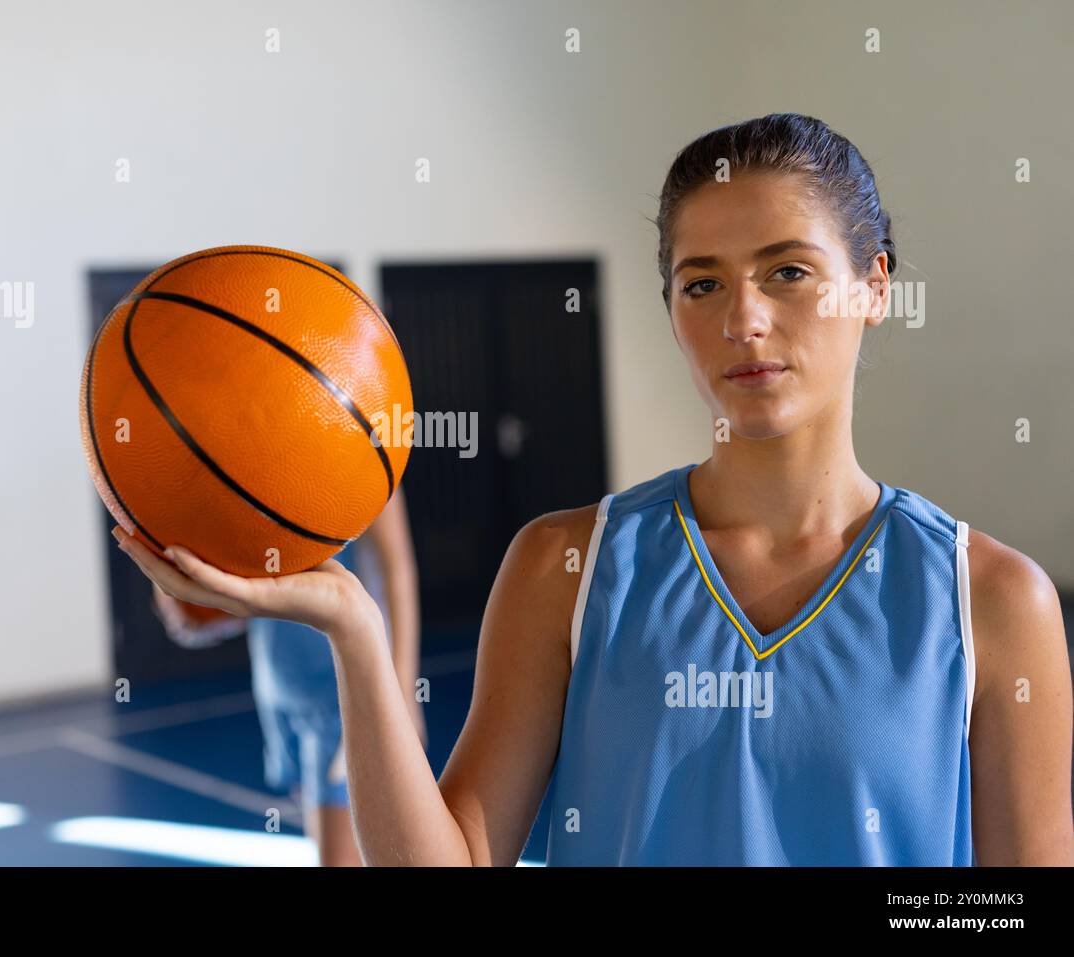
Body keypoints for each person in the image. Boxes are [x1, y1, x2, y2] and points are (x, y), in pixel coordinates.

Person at [114, 114, 1074, 866]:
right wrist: (356, 634)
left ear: (873, 287)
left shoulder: (988, 598)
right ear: (670, 310)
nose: (744, 317)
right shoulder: (564, 564)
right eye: (701, 284)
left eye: (787, 272)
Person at [150, 489, 422, 866]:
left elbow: (398, 570)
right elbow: (268, 580)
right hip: (279, 687)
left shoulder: (367, 440)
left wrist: (403, 695)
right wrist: (208, 607)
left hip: (342, 695)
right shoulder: (240, 458)